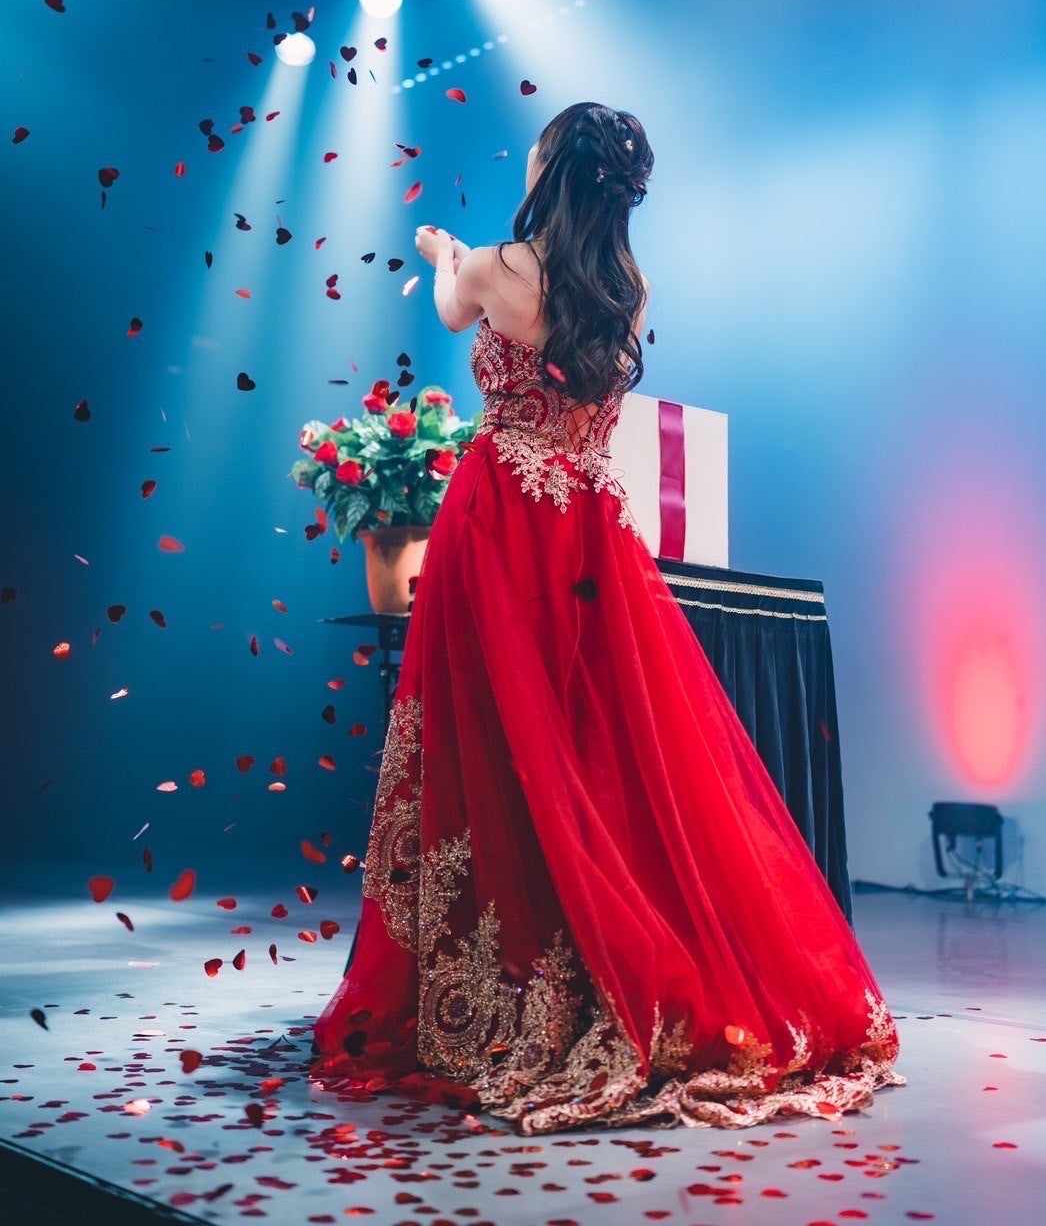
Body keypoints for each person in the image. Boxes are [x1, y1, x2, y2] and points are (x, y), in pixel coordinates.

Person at [308, 101, 905, 1133]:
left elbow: (448, 310)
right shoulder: (630, 285)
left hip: (501, 522)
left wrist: (440, 251)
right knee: (598, 745)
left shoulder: (493, 267)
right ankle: (598, 952)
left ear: (550, 171)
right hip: (587, 525)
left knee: (494, 738)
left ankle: (522, 977)